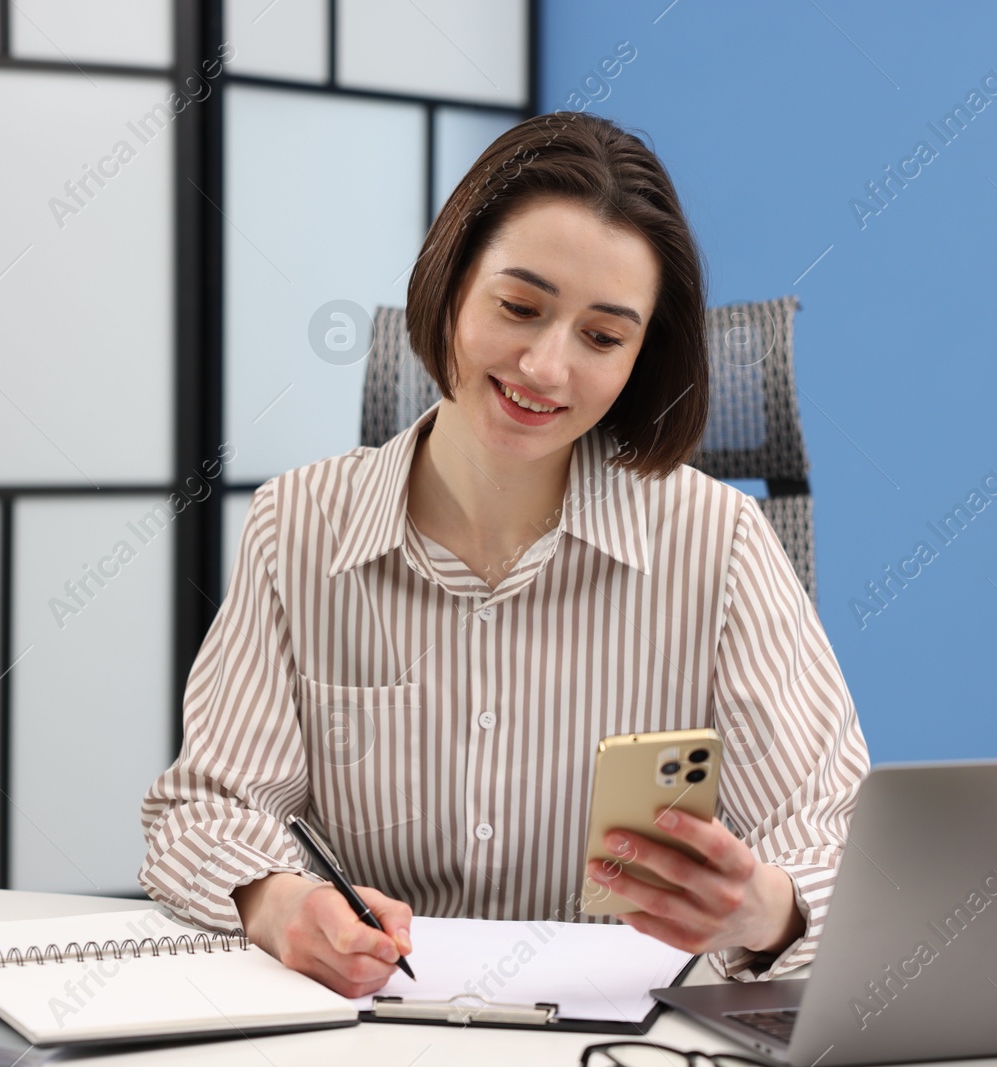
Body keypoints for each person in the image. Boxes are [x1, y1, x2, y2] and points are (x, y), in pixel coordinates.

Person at [138, 110, 869, 999]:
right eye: (519, 307)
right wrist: (277, 901)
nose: (546, 367)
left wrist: (768, 911)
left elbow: (836, 840)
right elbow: (205, 807)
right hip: (370, 1034)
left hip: (620, 1036)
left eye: (603, 337)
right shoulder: (300, 524)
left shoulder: (720, 545)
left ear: (641, 357)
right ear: (450, 286)